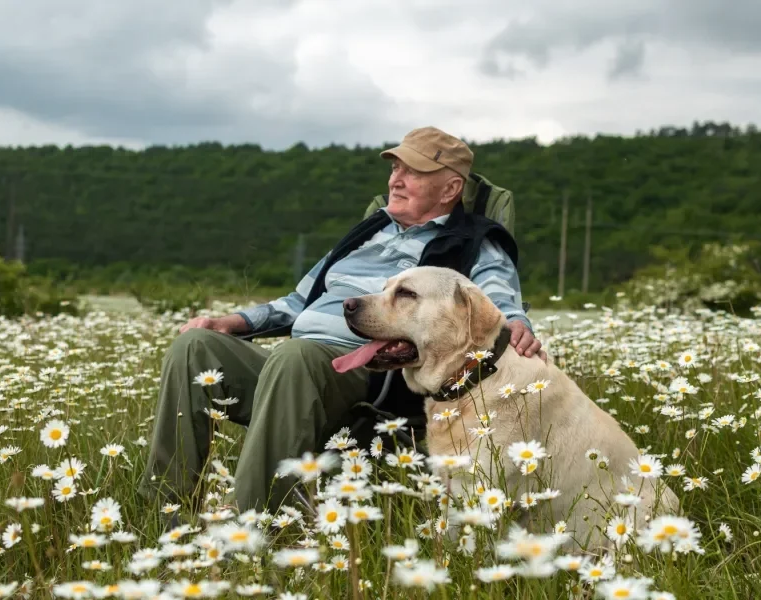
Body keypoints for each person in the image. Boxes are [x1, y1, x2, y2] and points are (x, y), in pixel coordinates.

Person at [140, 126, 544, 513]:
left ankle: (258, 525)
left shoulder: (473, 242)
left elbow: (495, 299)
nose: (396, 179)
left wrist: (515, 324)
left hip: (368, 377)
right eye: (394, 168)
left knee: (295, 356)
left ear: (451, 189)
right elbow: (299, 301)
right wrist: (233, 323)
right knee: (194, 347)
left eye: (413, 171)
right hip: (295, 369)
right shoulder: (368, 232)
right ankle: (166, 507)